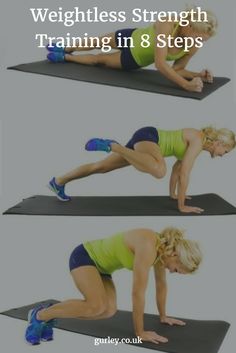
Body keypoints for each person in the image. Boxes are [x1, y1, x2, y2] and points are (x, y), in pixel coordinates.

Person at [25, 227, 202, 345]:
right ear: (176, 255)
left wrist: (163, 316)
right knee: (96, 306)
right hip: (85, 257)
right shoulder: (149, 246)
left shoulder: (162, 253)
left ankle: (51, 313)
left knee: (108, 311)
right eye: (177, 270)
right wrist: (140, 333)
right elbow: (137, 293)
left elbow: (161, 285)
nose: (173, 272)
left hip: (102, 269)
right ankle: (39, 315)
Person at [48, 126, 236, 214]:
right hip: (149, 137)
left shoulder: (197, 144)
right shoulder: (198, 140)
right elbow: (186, 172)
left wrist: (173, 195)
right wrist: (181, 206)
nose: (223, 155)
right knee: (158, 170)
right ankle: (115, 146)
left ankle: (58, 181)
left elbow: (177, 170)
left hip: (146, 146)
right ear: (219, 143)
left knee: (101, 167)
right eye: (225, 151)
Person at [46, 7, 217, 92]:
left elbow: (177, 69)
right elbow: (160, 64)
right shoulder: (168, 23)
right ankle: (67, 48)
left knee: (99, 59)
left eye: (204, 40)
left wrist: (197, 75)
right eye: (198, 37)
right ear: (188, 26)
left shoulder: (193, 46)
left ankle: (65, 58)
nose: (200, 42)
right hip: (131, 35)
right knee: (96, 41)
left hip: (134, 59)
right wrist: (187, 85)